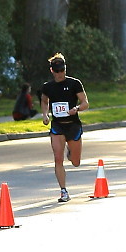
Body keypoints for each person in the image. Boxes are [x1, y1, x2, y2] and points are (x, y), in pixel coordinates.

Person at [40, 53, 89, 203]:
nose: (60, 74)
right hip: (57, 126)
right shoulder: (47, 87)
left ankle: (71, 152)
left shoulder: (75, 83)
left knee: (75, 162)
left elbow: (85, 102)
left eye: (62, 70)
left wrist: (77, 108)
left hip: (73, 125)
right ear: (52, 71)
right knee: (57, 158)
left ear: (65, 69)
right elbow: (44, 101)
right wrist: (45, 115)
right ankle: (63, 191)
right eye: (57, 71)